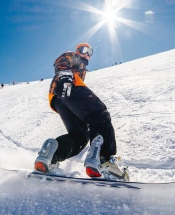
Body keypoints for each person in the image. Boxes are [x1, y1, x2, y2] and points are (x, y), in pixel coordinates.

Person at [34, 43, 129, 181]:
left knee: (80, 136)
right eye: (84, 50)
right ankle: (104, 161)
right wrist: (65, 77)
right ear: (78, 50)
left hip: (58, 99)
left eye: (90, 52)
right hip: (69, 87)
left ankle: (50, 156)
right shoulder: (73, 57)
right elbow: (62, 60)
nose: (87, 54)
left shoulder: (82, 68)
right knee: (99, 115)